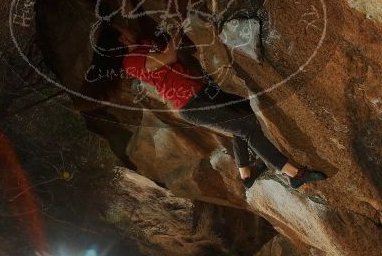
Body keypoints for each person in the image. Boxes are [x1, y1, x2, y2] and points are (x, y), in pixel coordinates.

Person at [111, 21, 327, 190]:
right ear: (121, 39)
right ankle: (295, 174)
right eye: (123, 29)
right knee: (247, 126)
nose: (128, 27)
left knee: (245, 109)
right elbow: (168, 56)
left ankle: (246, 175)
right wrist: (177, 29)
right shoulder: (130, 62)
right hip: (192, 105)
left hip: (204, 92)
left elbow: (130, 10)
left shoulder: (143, 43)